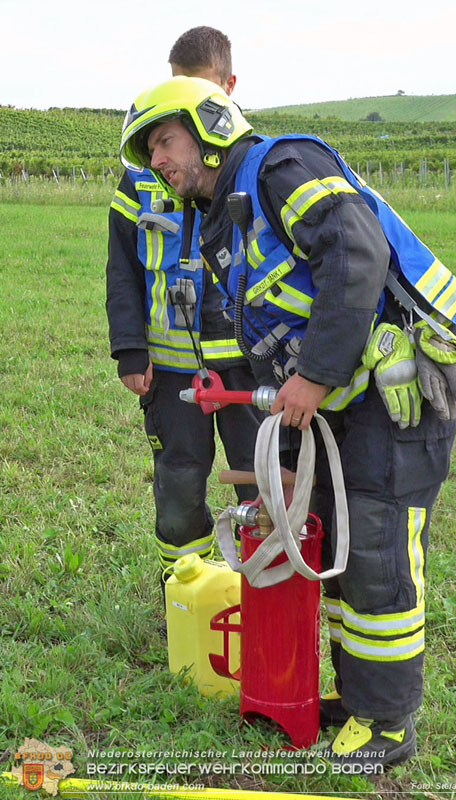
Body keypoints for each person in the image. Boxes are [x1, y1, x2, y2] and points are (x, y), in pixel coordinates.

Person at [119, 77, 456, 770]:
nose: (157, 160)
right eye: (149, 150)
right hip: (350, 388)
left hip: (406, 375)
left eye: (165, 140)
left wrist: (313, 378)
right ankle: (357, 694)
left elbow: (355, 256)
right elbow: (265, 346)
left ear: (211, 123)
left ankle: (387, 723)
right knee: (339, 538)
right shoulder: (224, 218)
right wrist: (284, 456)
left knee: (377, 543)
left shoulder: (282, 168)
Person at [106, 29, 264, 603]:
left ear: (229, 88)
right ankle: (186, 594)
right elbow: (121, 268)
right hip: (172, 375)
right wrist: (130, 348)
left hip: (248, 373)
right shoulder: (144, 172)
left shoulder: (256, 167)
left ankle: (263, 597)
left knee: (261, 482)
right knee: (177, 486)